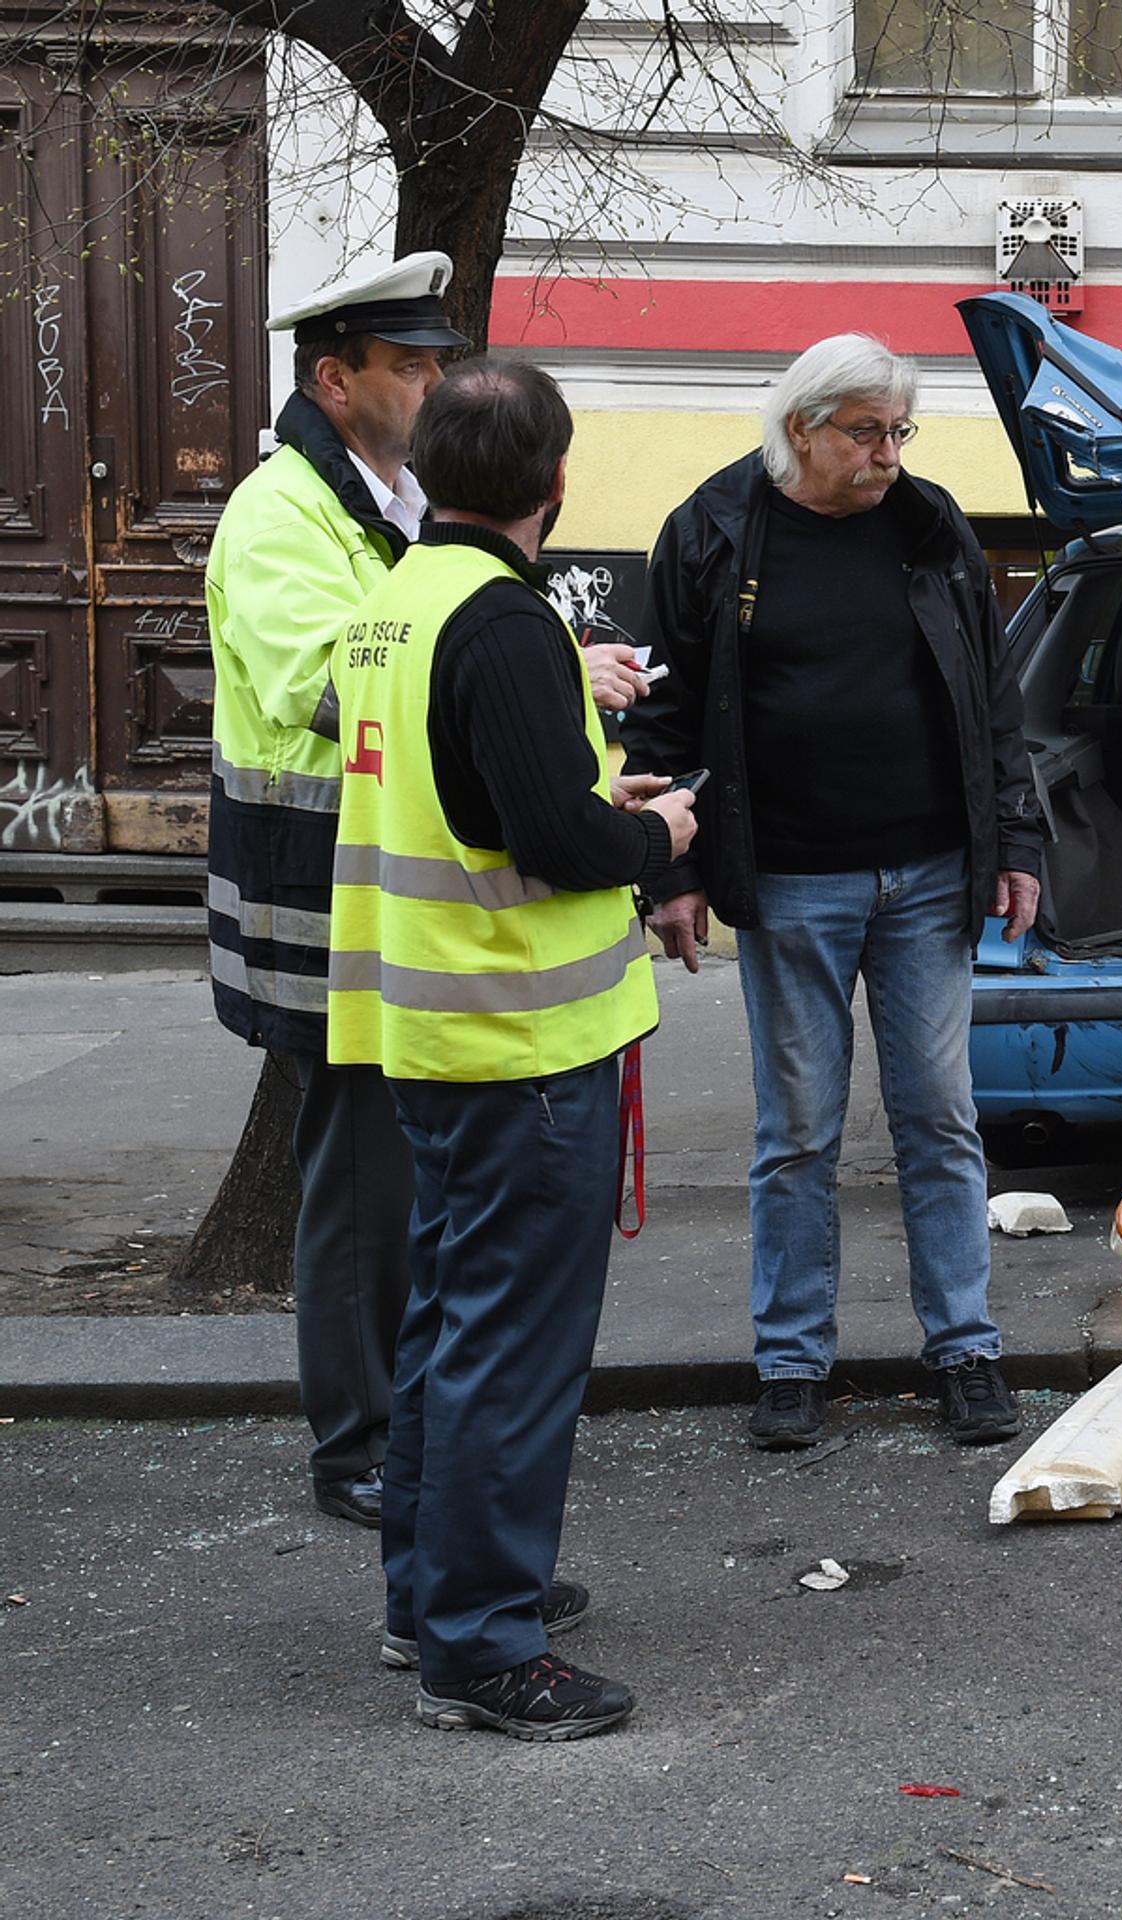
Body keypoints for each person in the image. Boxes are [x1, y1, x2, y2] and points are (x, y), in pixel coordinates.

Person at [328, 356, 696, 1740]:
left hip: (435, 1029)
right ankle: (482, 1645)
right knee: (512, 1352)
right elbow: (548, 838)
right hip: (523, 1040)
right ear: (556, 479)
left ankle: (430, 1601)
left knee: (448, 1326)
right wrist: (654, 832)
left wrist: (595, 791)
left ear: (426, 470)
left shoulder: (395, 603)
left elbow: (477, 802)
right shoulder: (508, 622)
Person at [623, 334, 1043, 1453]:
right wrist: (671, 873)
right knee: (798, 1130)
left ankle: (966, 1349)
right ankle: (791, 1361)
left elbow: (993, 700)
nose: (887, 455)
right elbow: (663, 715)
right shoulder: (713, 529)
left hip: (931, 874)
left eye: (899, 432)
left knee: (940, 1118)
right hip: (790, 878)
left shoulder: (931, 523)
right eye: (866, 433)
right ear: (800, 427)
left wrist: (1017, 841)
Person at [205, 254, 463, 1528]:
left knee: (396, 1181)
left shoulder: (391, 502)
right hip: (317, 898)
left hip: (379, 890)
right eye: (407, 367)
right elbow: (325, 683)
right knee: (361, 1188)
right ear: (334, 380)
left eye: (436, 365)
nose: (432, 387)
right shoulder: (280, 511)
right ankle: (357, 1449)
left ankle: (396, 1423)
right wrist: (496, 684)